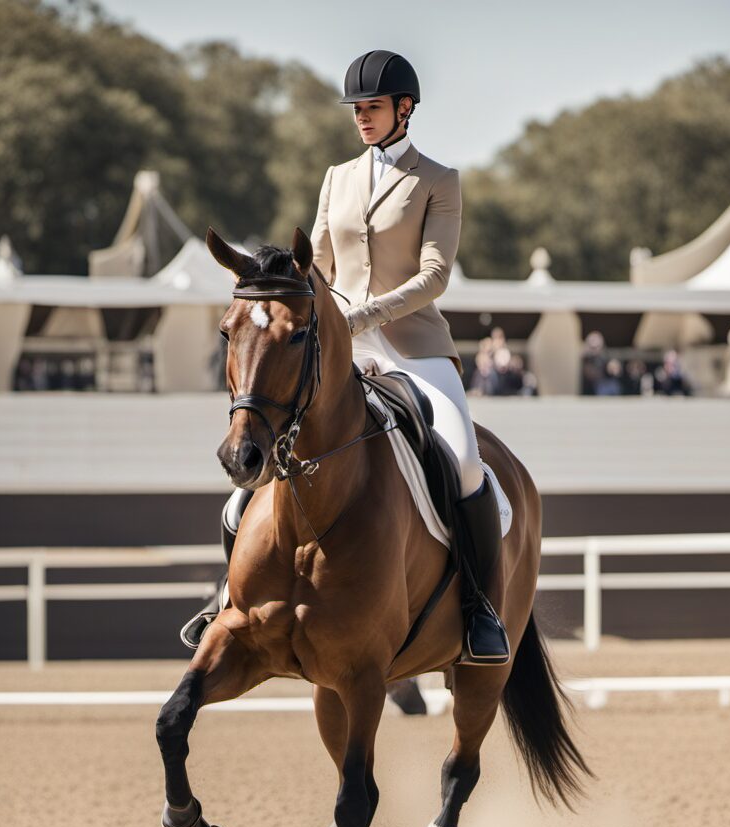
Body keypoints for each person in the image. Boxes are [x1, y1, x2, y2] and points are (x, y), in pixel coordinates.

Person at [181, 49, 509, 665]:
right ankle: (227, 595)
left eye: (373, 107)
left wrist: (364, 315)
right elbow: (318, 267)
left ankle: (480, 610)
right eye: (357, 108)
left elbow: (435, 275)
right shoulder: (338, 177)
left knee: (466, 463)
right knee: (259, 466)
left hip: (415, 347)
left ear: (404, 109)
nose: (362, 117)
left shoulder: (438, 180)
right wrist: (304, 310)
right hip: (339, 349)